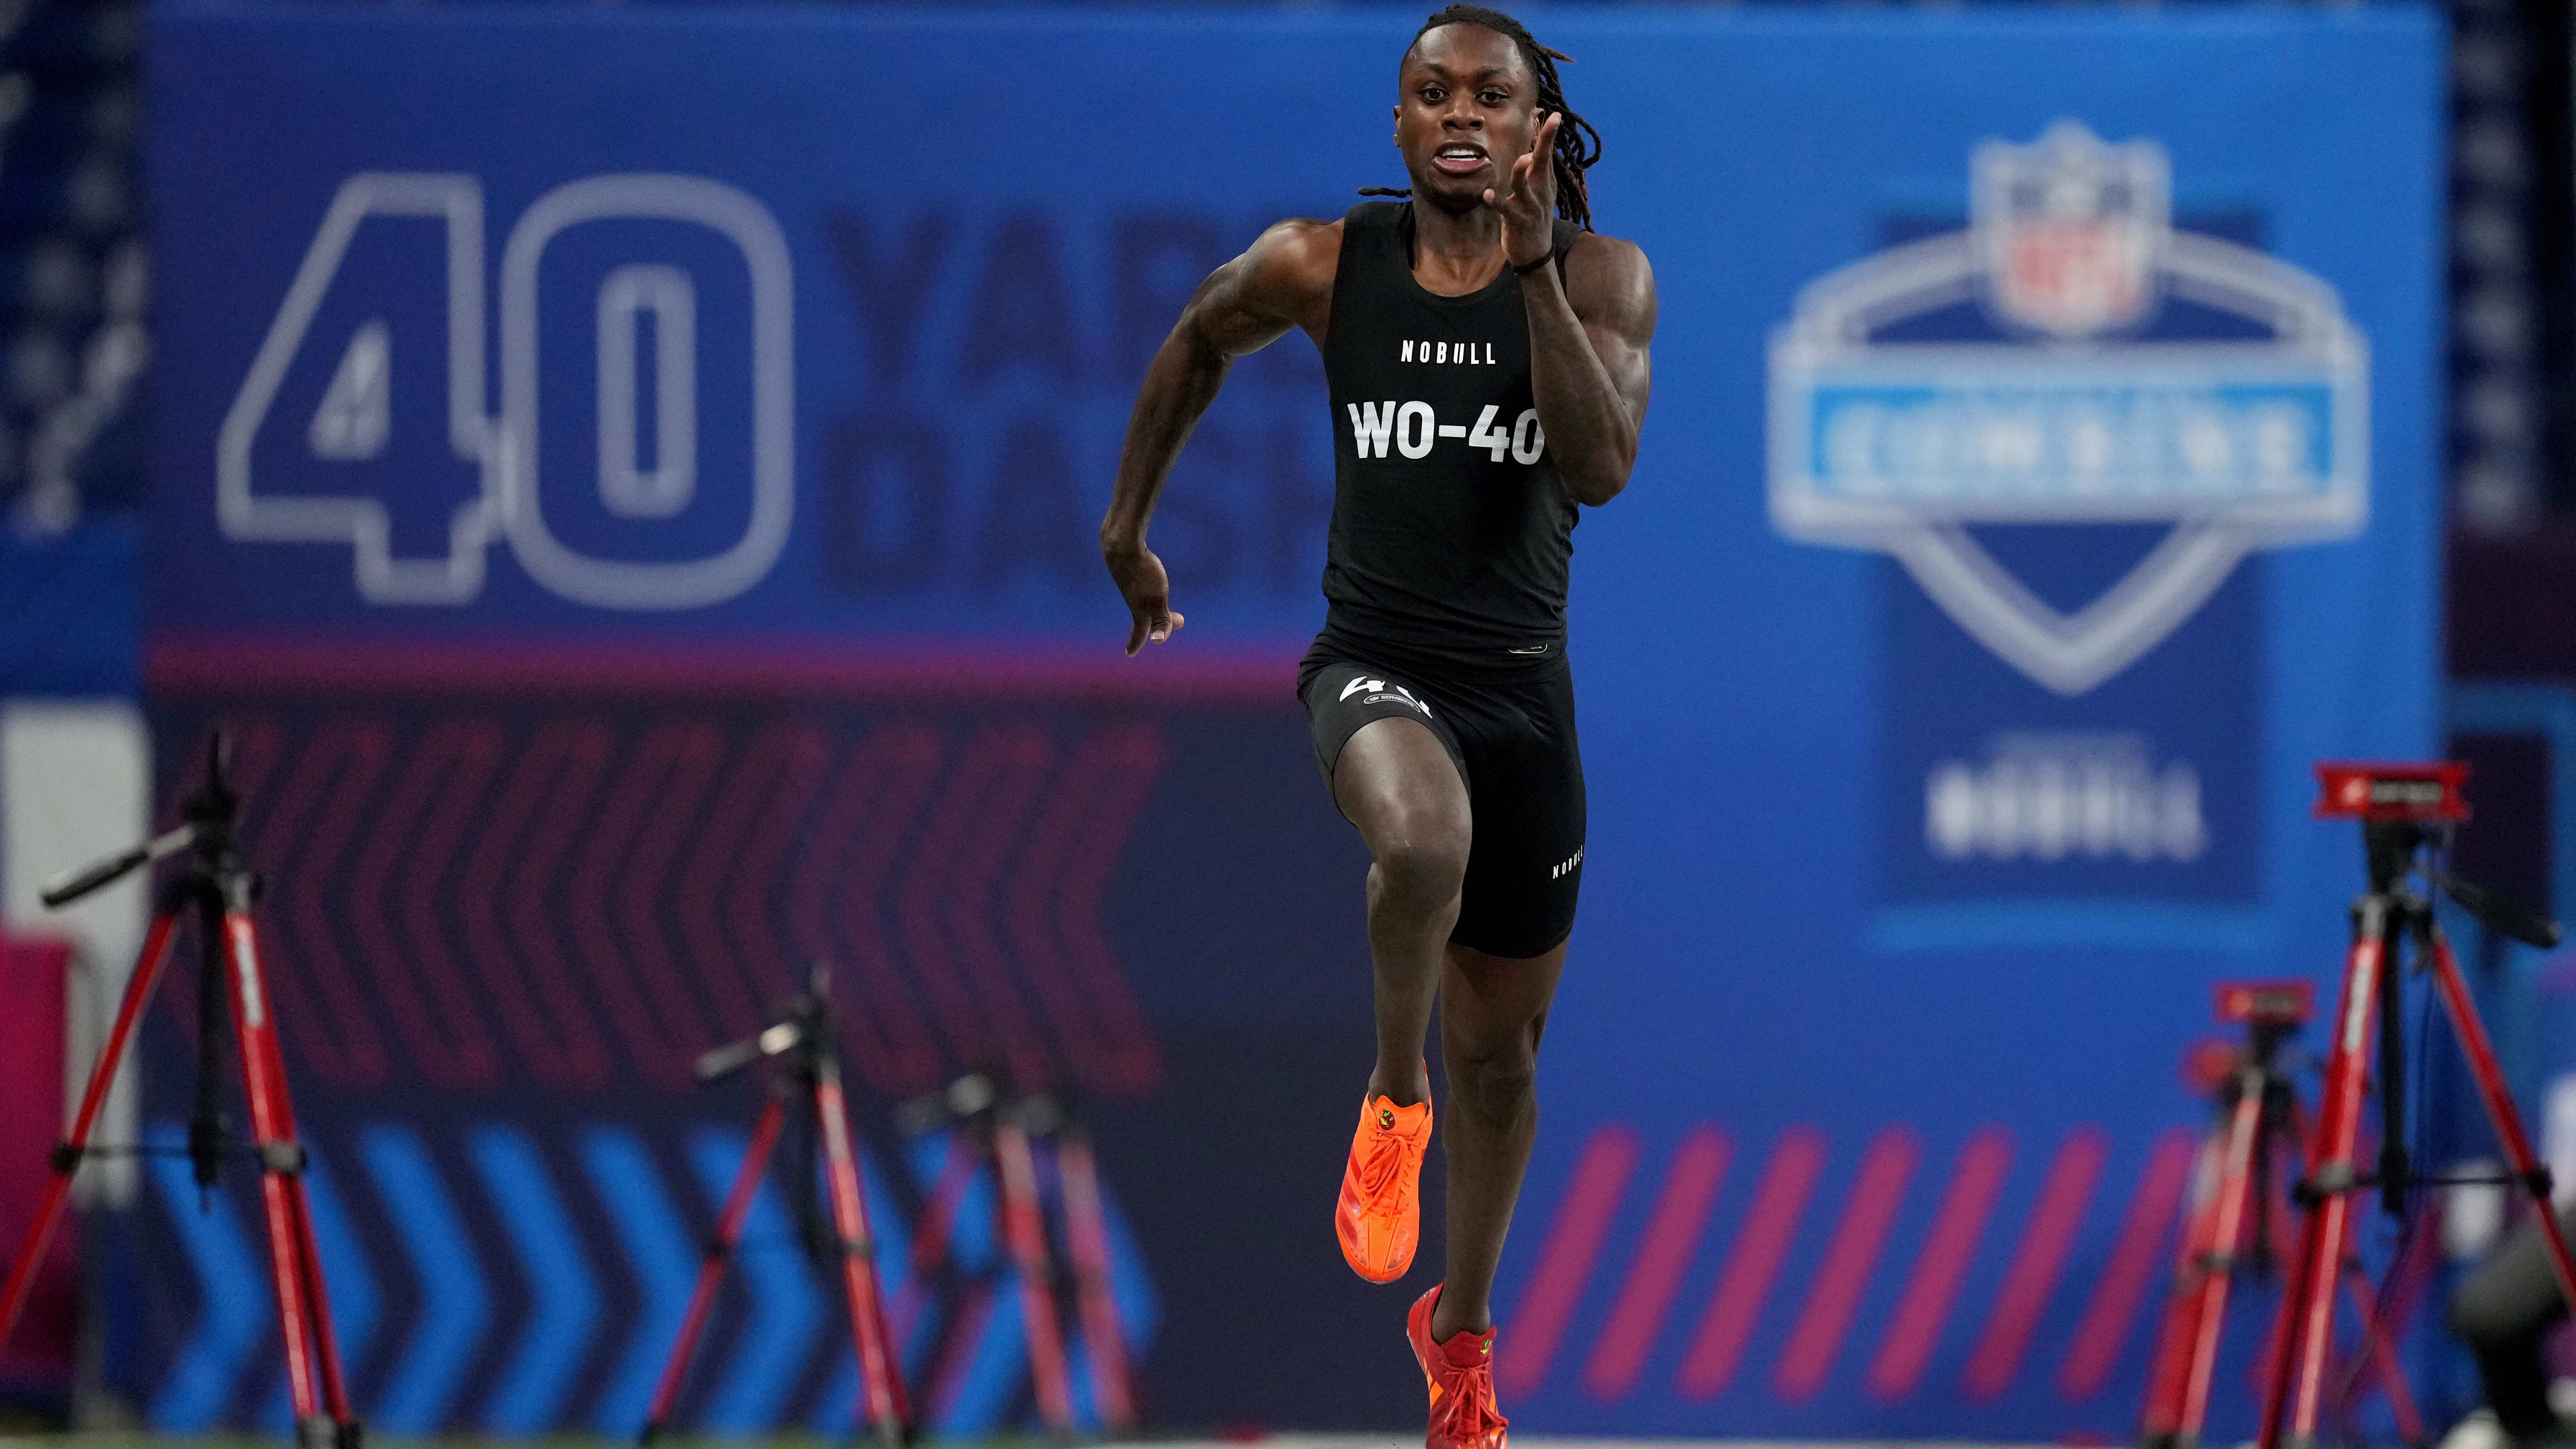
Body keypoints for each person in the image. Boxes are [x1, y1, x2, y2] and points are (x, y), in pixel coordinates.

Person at [1099, 6, 1655, 1440]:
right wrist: (1127, 527)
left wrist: (1530, 271)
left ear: (1537, 126)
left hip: (1523, 695)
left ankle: (1457, 1336)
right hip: (1373, 667)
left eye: (1489, 92)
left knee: (1508, 1060)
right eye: (1429, 91)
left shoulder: (1601, 275)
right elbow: (1194, 339)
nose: (1457, 112)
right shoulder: (1321, 264)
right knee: (1419, 846)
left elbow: (1597, 470)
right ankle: (1387, 1102)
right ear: (1397, 122)